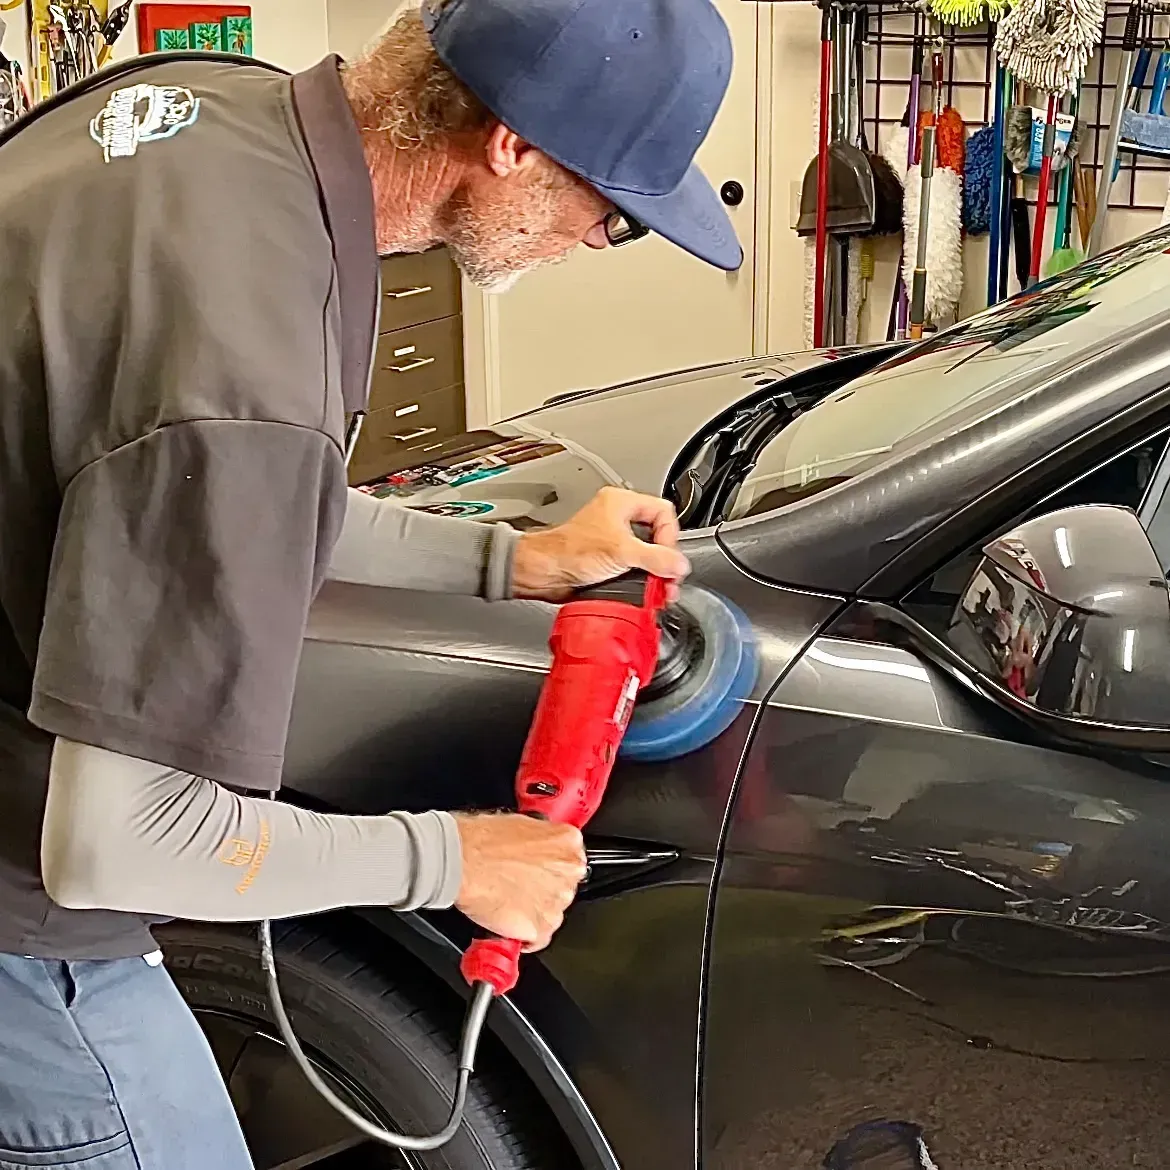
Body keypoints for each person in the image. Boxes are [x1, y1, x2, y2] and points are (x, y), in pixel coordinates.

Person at [0, 0, 741, 1164]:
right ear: (514, 144)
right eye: (617, 211)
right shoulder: (242, 354)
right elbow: (116, 842)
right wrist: (454, 858)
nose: (598, 240)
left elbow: (218, 488)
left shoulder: (206, 112)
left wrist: (511, 560)